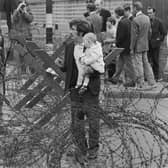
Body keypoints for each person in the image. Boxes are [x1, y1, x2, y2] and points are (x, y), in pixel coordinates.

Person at [62, 19, 101, 163]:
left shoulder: (94, 47)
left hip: (90, 90)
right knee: (76, 123)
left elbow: (99, 69)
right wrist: (57, 66)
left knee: (93, 122)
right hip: (75, 90)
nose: (70, 32)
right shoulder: (69, 46)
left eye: (72, 29)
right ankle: (81, 149)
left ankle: (93, 151)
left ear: (81, 32)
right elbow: (67, 67)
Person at [130, 2, 156, 89]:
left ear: (135, 8)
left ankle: (140, 84)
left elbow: (134, 36)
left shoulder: (135, 20)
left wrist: (131, 47)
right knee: (146, 63)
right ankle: (152, 82)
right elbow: (150, 32)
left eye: (133, 8)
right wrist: (146, 41)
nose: (132, 10)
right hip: (145, 44)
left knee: (139, 64)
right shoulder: (147, 18)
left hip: (137, 45)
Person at [109, 7, 131, 84]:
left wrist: (117, 44)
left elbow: (121, 36)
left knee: (128, 65)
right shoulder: (127, 20)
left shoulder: (121, 22)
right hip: (126, 46)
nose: (114, 15)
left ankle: (131, 81)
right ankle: (115, 79)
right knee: (120, 63)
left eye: (115, 13)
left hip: (123, 46)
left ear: (117, 14)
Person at [10, 0, 33, 74]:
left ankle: (27, 71)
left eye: (23, 5)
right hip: (18, 37)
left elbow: (30, 19)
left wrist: (25, 12)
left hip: (27, 36)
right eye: (21, 5)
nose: (22, 6)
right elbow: (13, 20)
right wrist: (17, 10)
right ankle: (19, 72)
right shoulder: (15, 11)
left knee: (27, 54)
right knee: (17, 53)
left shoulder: (28, 10)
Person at [147, 7, 167, 81]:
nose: (149, 14)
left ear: (154, 13)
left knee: (155, 61)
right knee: (147, 61)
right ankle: (149, 77)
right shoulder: (146, 21)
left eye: (150, 13)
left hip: (155, 45)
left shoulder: (159, 21)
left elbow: (164, 32)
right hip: (147, 45)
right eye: (148, 13)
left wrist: (159, 39)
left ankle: (156, 77)